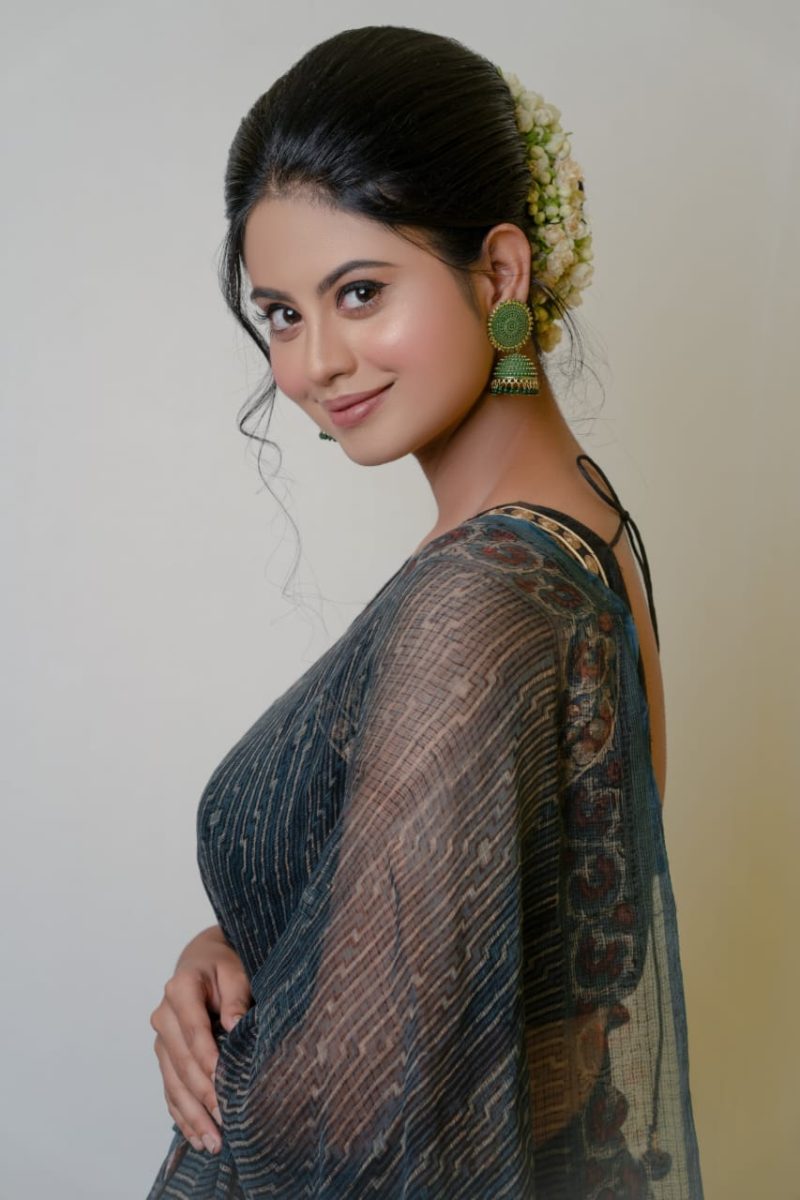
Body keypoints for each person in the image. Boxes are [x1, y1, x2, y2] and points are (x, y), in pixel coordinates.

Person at [145, 25, 704, 1198]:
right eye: (281, 313)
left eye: (358, 292)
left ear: (499, 273)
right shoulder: (577, 528)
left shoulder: (485, 594)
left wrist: (228, 1050)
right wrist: (234, 953)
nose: (315, 363)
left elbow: (347, 1113)